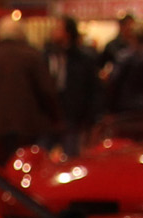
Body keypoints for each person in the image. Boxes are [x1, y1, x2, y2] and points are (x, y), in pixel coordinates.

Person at [0, 18, 60, 163]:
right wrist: (55, 120)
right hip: (29, 126)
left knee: (2, 168)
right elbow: (46, 91)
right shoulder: (33, 56)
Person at [46, 19, 99, 154]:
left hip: (74, 116)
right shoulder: (48, 56)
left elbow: (93, 89)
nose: (53, 32)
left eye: (58, 28)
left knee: (71, 155)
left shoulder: (83, 59)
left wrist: (91, 118)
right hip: (51, 115)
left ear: (68, 33)